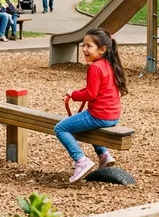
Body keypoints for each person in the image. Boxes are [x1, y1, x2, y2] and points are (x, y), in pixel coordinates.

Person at [54, 28, 128, 182]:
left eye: (89, 46)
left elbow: (90, 94)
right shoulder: (108, 64)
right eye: (83, 45)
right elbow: (96, 89)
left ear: (102, 50)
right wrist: (76, 91)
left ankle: (81, 161)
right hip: (113, 116)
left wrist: (73, 94)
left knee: (60, 128)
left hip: (99, 115)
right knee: (88, 126)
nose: (84, 49)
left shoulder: (95, 67)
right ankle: (104, 155)